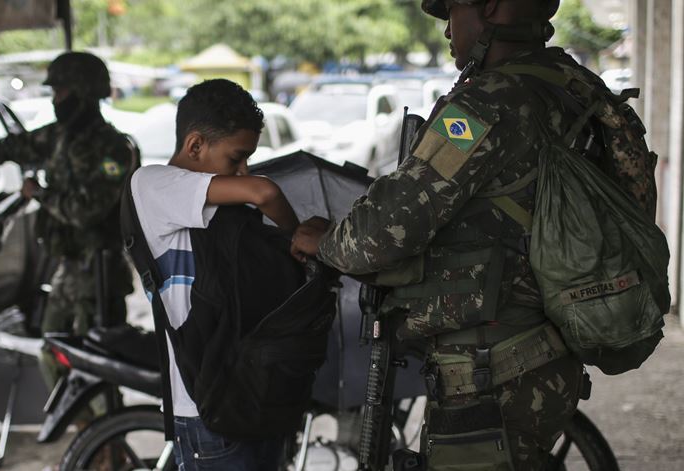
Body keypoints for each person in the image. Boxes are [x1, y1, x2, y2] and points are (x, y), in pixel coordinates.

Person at [291, 0, 657, 469]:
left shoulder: (488, 102)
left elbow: (384, 231)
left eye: (451, 14)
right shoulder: (578, 88)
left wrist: (324, 241)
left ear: (488, 9)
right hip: (548, 356)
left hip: (491, 369)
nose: (447, 31)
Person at [131, 79, 298, 470]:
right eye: (236, 158)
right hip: (204, 409)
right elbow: (265, 193)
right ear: (195, 146)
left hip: (251, 394)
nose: (243, 170)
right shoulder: (151, 184)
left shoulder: (217, 206)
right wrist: (297, 237)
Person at [0, 51, 137, 396]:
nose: (55, 101)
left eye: (61, 92)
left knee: (99, 365)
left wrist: (40, 193)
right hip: (69, 269)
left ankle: (107, 443)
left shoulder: (115, 149)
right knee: (52, 352)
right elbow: (11, 147)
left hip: (100, 272)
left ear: (83, 93)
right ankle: (88, 432)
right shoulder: (58, 137)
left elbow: (87, 210)